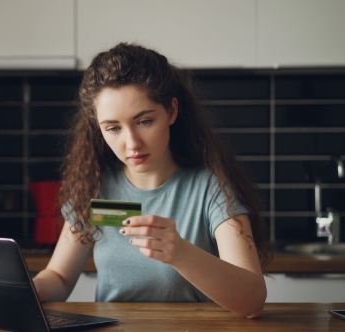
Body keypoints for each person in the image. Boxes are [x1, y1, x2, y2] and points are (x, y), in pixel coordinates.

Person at [32, 42, 271, 318]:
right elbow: (60, 278)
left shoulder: (211, 188)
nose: (131, 143)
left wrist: (180, 253)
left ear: (171, 111)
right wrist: (34, 287)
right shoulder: (94, 189)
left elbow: (253, 300)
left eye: (144, 121)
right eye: (113, 128)